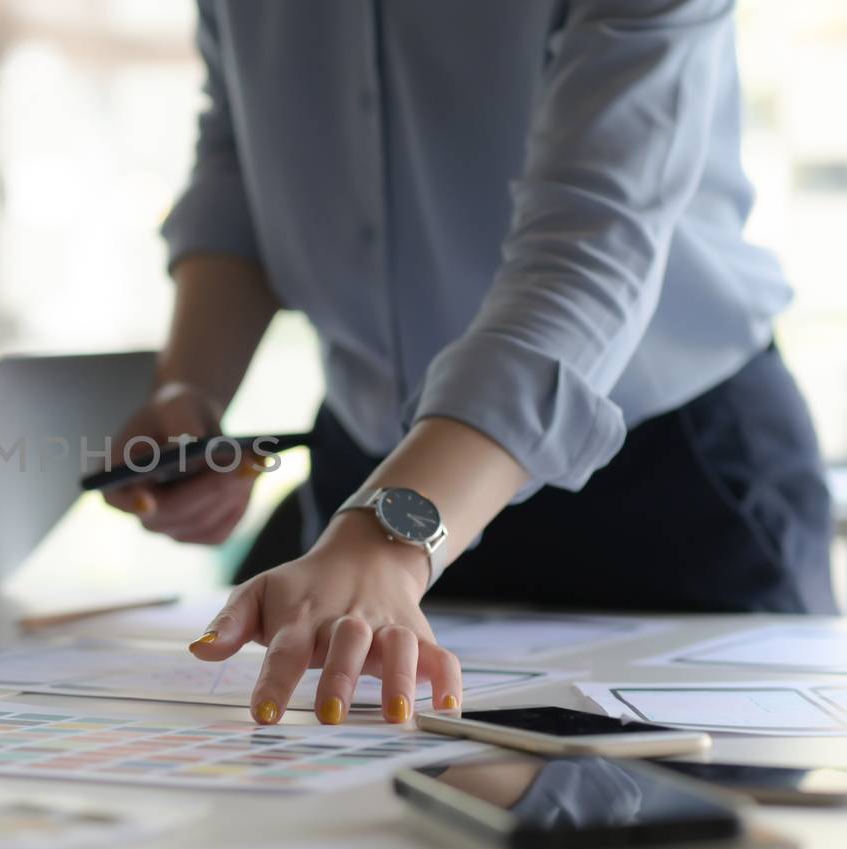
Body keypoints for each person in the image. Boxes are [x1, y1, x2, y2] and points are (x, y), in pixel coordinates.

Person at [103, 1, 836, 728]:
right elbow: (240, 153)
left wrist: (388, 537)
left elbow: (589, 249)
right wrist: (191, 385)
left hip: (673, 486)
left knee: (689, 834)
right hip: (369, 493)